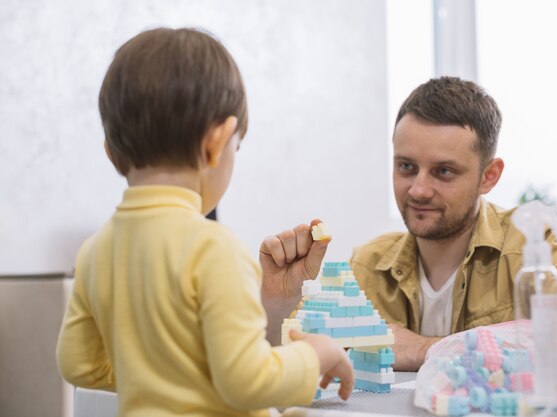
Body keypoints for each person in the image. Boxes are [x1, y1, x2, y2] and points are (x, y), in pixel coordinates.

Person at [56, 27, 353, 417]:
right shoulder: (215, 248)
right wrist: (313, 355)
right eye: (237, 147)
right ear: (217, 142)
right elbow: (247, 381)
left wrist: (159, 376)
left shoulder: (95, 252)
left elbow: (79, 365)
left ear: (111, 154)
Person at [261, 76, 557, 371]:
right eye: (406, 167)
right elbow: (298, 363)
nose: (419, 189)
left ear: (489, 176)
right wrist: (278, 304)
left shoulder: (534, 244)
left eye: (444, 171)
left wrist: (425, 350)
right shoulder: (369, 263)